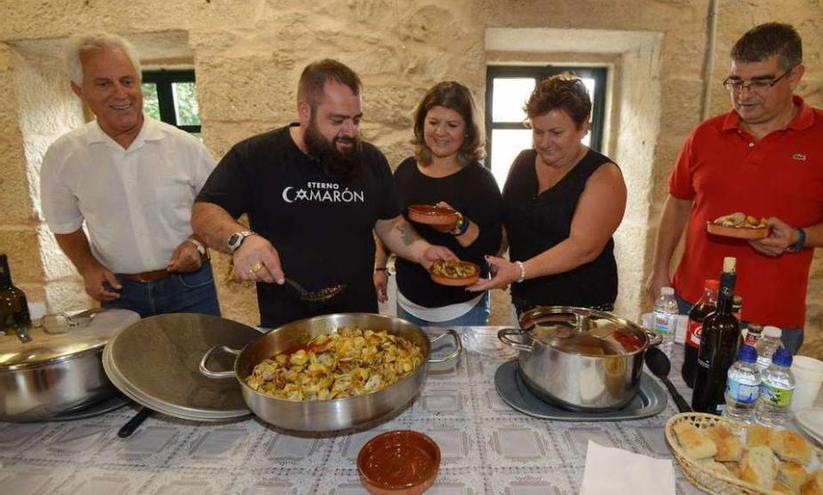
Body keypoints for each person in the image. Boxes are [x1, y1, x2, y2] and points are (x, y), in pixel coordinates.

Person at [646, 23, 823, 354]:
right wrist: (659, 273)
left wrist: (799, 237)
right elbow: (679, 201)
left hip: (770, 322)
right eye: (736, 81)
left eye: (760, 82)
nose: (744, 94)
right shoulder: (706, 134)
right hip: (693, 304)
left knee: (747, 405)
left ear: (795, 76)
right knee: (682, 397)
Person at [191, 59, 455, 328]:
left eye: (356, 120)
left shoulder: (371, 160)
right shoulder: (255, 156)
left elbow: (390, 224)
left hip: (358, 323)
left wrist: (423, 251)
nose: (350, 132)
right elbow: (204, 211)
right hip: (286, 325)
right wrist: (241, 240)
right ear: (305, 112)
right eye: (338, 121)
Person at [40, 32, 220, 318]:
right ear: (79, 90)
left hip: (191, 288)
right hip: (119, 293)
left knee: (203, 363)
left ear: (140, 83)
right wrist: (87, 267)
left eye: (127, 81)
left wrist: (197, 243)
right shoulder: (64, 156)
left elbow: (220, 209)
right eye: (103, 84)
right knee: (128, 365)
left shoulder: (184, 146)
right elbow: (64, 225)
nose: (121, 94)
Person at [469, 74, 627, 317]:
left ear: (584, 126)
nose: (544, 142)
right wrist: (494, 255)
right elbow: (508, 221)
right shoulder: (523, 162)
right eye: (537, 131)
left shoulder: (604, 176)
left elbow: (582, 247)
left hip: (580, 310)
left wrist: (518, 271)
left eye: (555, 132)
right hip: (526, 301)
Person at [375, 82, 503, 326]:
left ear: (467, 131)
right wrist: (379, 268)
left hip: (461, 309)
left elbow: (491, 247)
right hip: (408, 302)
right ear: (422, 123)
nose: (440, 132)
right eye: (433, 122)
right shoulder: (405, 170)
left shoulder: (481, 180)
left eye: (452, 125)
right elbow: (390, 222)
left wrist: (456, 224)